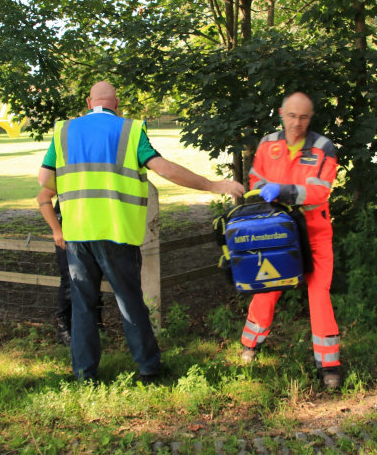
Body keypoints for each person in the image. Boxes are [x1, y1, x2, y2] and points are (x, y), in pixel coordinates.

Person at [38, 81, 244, 383]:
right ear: (116, 103)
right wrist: (212, 185)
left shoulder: (64, 132)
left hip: (77, 233)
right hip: (117, 232)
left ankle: (85, 374)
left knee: (83, 306)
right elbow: (163, 169)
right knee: (130, 302)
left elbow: (45, 178)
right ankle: (148, 368)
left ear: (88, 101)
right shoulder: (130, 131)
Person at [239, 92, 343, 389]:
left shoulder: (324, 148)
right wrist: (263, 190)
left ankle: (329, 365)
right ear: (282, 114)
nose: (297, 123)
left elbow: (320, 191)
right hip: (276, 229)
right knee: (268, 286)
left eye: (304, 117)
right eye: (292, 116)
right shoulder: (267, 143)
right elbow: (255, 178)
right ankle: (250, 345)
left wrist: (282, 191)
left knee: (319, 293)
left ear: (310, 118)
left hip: (314, 232)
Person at [36, 193, 104, 346]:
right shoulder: (63, 169)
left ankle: (96, 322)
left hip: (93, 228)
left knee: (95, 276)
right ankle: (63, 327)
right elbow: (43, 195)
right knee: (69, 278)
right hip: (68, 229)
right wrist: (57, 230)